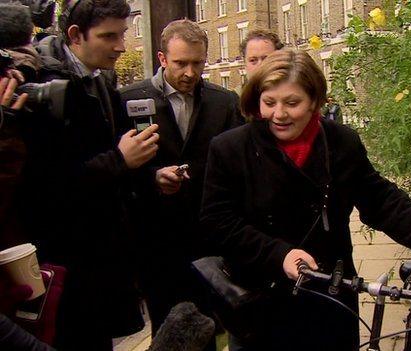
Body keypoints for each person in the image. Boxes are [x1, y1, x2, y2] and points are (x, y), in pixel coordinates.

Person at [199, 49, 411, 350]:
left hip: (330, 295)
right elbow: (217, 222)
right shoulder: (230, 148)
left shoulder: (341, 142)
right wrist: (279, 254)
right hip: (260, 301)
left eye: (292, 103)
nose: (279, 114)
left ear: (315, 102)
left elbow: (379, 197)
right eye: (269, 103)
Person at [16, 0, 160, 349]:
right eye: (109, 36)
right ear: (75, 35)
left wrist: (150, 175)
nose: (121, 46)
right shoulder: (43, 87)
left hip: (98, 260)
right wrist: (119, 161)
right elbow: (45, 187)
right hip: (65, 263)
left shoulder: (96, 79)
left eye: (122, 34)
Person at [120, 19, 244, 348]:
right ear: (162, 59)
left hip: (208, 241)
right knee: (167, 331)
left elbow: (237, 168)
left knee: (212, 327)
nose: (190, 72)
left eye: (198, 63)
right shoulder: (128, 100)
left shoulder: (224, 102)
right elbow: (115, 168)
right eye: (181, 63)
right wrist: (152, 178)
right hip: (156, 242)